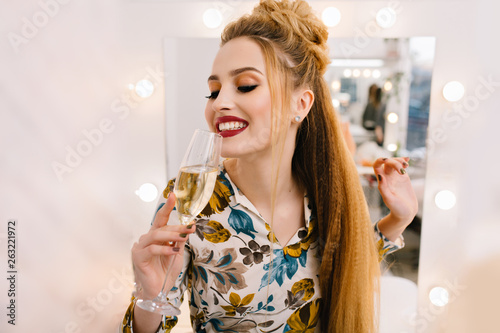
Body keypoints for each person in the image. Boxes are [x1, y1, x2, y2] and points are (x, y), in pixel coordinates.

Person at [121, 1, 418, 332]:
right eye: (213, 91)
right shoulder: (191, 198)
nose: (220, 103)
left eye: (245, 85)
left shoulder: (327, 191)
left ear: (300, 103)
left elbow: (350, 268)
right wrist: (150, 295)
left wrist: (398, 219)